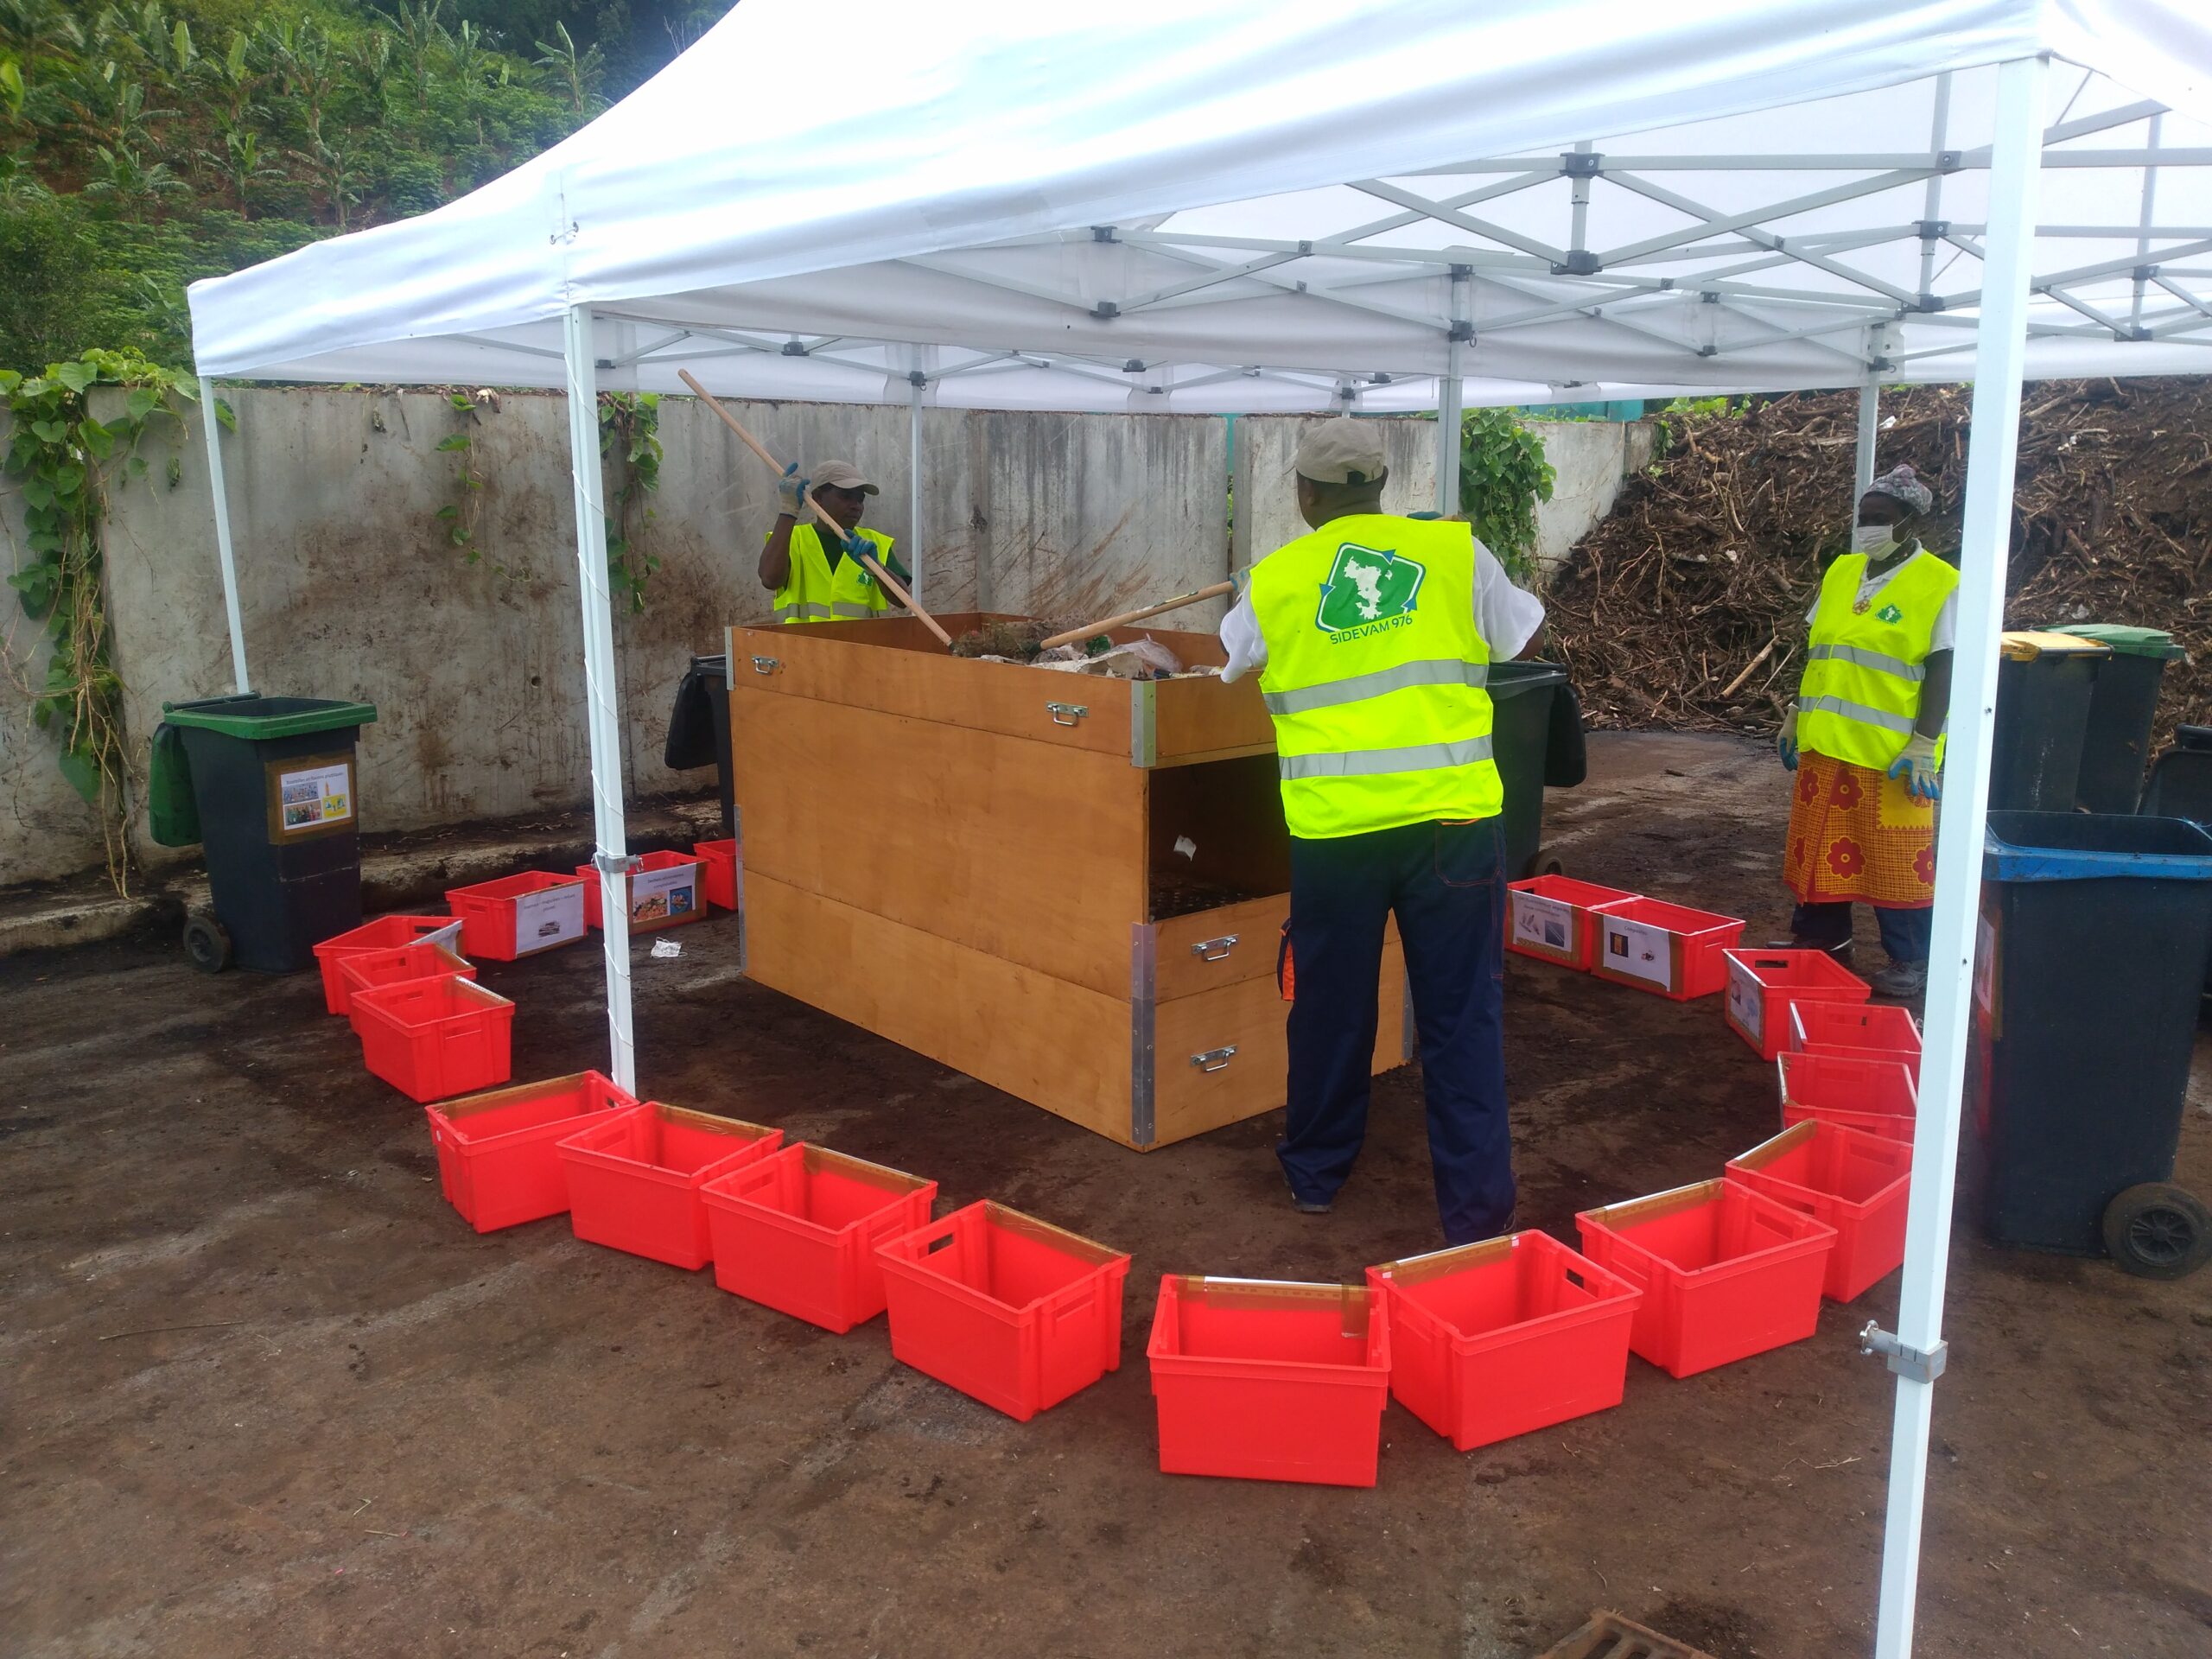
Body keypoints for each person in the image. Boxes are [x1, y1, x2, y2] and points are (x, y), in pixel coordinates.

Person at [1219, 420, 1545, 1245]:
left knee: (1330, 1009)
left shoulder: (1276, 579)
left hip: (1337, 839)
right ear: (1383, 484)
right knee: (1461, 1016)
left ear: (1306, 494)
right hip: (1453, 828)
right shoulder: (1457, 555)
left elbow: (1233, 660)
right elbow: (1515, 633)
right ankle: (1477, 1214)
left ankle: (1316, 1176)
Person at [1777, 463, 1956, 998]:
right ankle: (1823, 940)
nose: (1867, 527)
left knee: (1896, 860)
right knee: (1821, 846)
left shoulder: (1940, 584)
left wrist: (1926, 742)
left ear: (1909, 522)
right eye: (1863, 517)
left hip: (1892, 754)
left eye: (1880, 518)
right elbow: (1819, 651)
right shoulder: (1841, 571)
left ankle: (1912, 960)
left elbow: (1945, 667)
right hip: (1826, 742)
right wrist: (1795, 710)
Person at [757, 459, 910, 623]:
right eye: (846, 496)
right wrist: (788, 509)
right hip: (802, 648)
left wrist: (877, 569)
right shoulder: (791, 539)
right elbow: (770, 579)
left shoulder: (874, 544)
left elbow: (903, 601)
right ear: (818, 498)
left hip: (860, 648)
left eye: (860, 499)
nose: (856, 505)